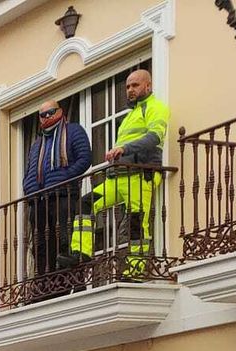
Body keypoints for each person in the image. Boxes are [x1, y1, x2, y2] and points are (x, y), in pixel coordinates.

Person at [69, 69, 169, 278]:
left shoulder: (155, 107)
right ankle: (82, 252)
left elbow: (155, 137)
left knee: (136, 222)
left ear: (148, 86)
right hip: (120, 177)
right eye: (127, 87)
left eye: (135, 85)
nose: (130, 90)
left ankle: (136, 271)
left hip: (141, 175)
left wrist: (125, 149)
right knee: (85, 203)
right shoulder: (131, 115)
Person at [22, 98, 92, 279]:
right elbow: (30, 168)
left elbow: (85, 158)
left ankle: (67, 281)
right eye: (42, 115)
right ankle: (45, 284)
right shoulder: (38, 142)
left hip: (63, 194)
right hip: (38, 199)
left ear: (60, 112)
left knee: (64, 239)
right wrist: (27, 186)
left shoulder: (73, 131)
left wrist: (65, 176)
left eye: (50, 113)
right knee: (41, 245)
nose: (45, 118)